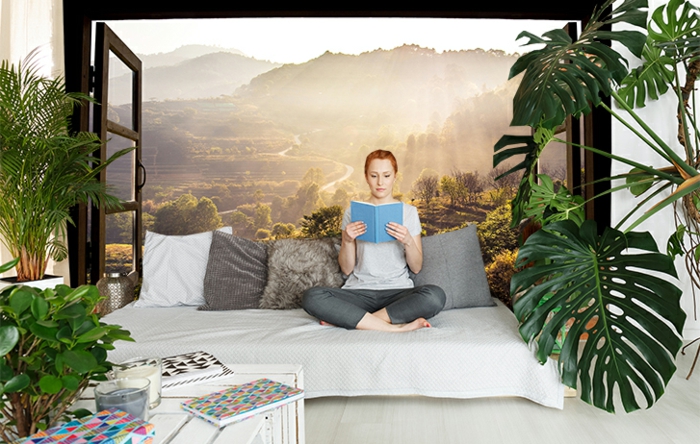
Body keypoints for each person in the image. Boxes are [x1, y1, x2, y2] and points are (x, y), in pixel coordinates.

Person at [302, 149, 446, 332]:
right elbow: (346, 269)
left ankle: (354, 320)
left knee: (435, 296)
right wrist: (347, 240)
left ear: (395, 176)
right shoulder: (352, 212)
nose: (380, 182)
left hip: (398, 293)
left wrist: (408, 240)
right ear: (366, 177)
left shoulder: (409, 212)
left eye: (386, 175)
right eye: (374, 176)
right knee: (311, 297)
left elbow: (416, 267)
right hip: (358, 293)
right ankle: (397, 328)